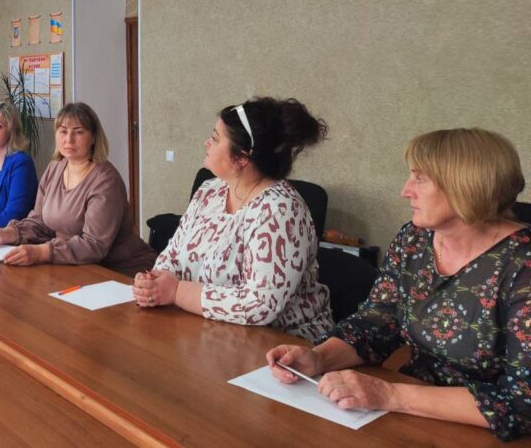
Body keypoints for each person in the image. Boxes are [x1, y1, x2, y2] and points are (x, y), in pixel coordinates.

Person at [265, 128, 530, 441]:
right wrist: (319, 358)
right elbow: (378, 321)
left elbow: (522, 404)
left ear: (466, 186)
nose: (406, 190)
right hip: (414, 413)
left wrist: (390, 395)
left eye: (420, 179)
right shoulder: (414, 239)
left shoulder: (522, 266)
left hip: (485, 433)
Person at [133, 97, 333, 342]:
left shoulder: (281, 211)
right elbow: (174, 253)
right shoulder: (210, 190)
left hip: (280, 345)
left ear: (241, 158)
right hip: (205, 329)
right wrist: (156, 279)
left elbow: (259, 305)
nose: (207, 143)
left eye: (216, 138)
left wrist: (176, 291)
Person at [0, 102, 156, 276]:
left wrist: (42, 252)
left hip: (120, 271)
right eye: (63, 131)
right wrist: (7, 234)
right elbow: (40, 221)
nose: (69, 139)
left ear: (93, 137)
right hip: (74, 267)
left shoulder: (105, 180)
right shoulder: (55, 167)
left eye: (78, 132)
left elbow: (94, 244)